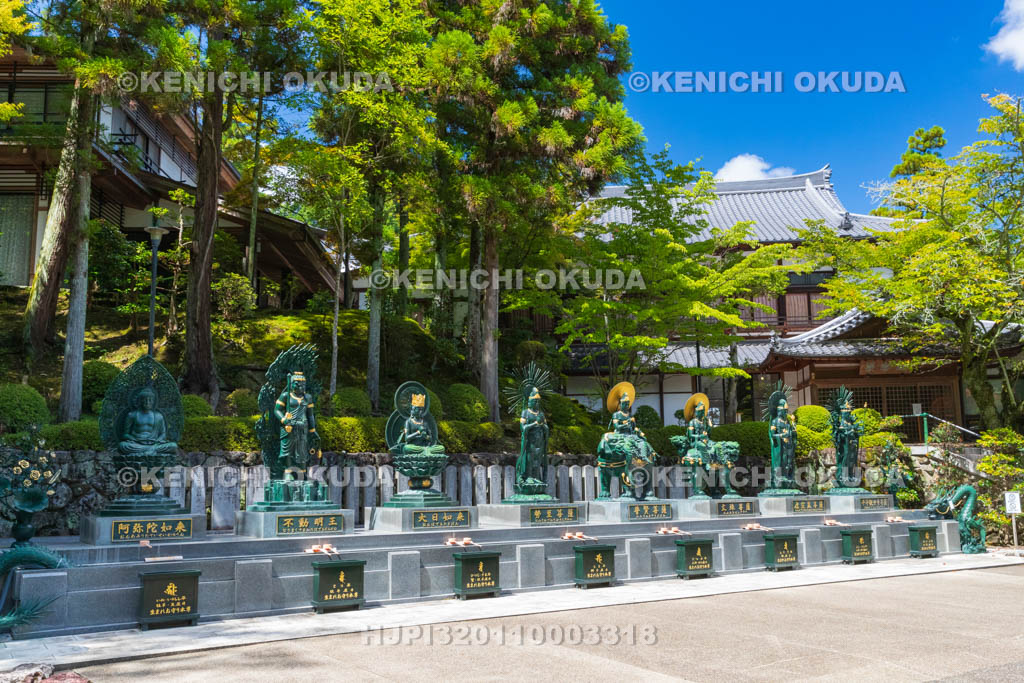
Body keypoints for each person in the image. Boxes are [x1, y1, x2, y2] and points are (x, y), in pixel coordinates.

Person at [118, 387, 178, 457]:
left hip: (154, 444)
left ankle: (145, 452)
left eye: (150, 400)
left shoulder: (159, 416)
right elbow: (125, 434)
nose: (147, 402)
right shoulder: (132, 415)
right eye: (145, 399)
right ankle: (150, 452)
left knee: (173, 446)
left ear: (153, 402)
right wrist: (134, 439)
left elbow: (163, 434)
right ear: (140, 401)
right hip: (137, 444)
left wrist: (157, 441)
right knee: (122, 445)